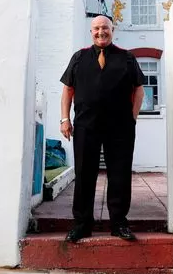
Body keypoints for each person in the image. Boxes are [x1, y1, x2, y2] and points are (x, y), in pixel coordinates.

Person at [59, 15, 145, 242]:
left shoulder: (127, 58)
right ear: (91, 31)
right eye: (96, 28)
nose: (101, 32)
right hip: (86, 126)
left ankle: (118, 223)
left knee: (120, 174)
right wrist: (64, 119)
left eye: (105, 28)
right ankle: (82, 223)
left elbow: (139, 90)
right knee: (85, 173)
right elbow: (68, 90)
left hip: (120, 128)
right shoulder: (79, 58)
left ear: (112, 29)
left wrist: (132, 118)